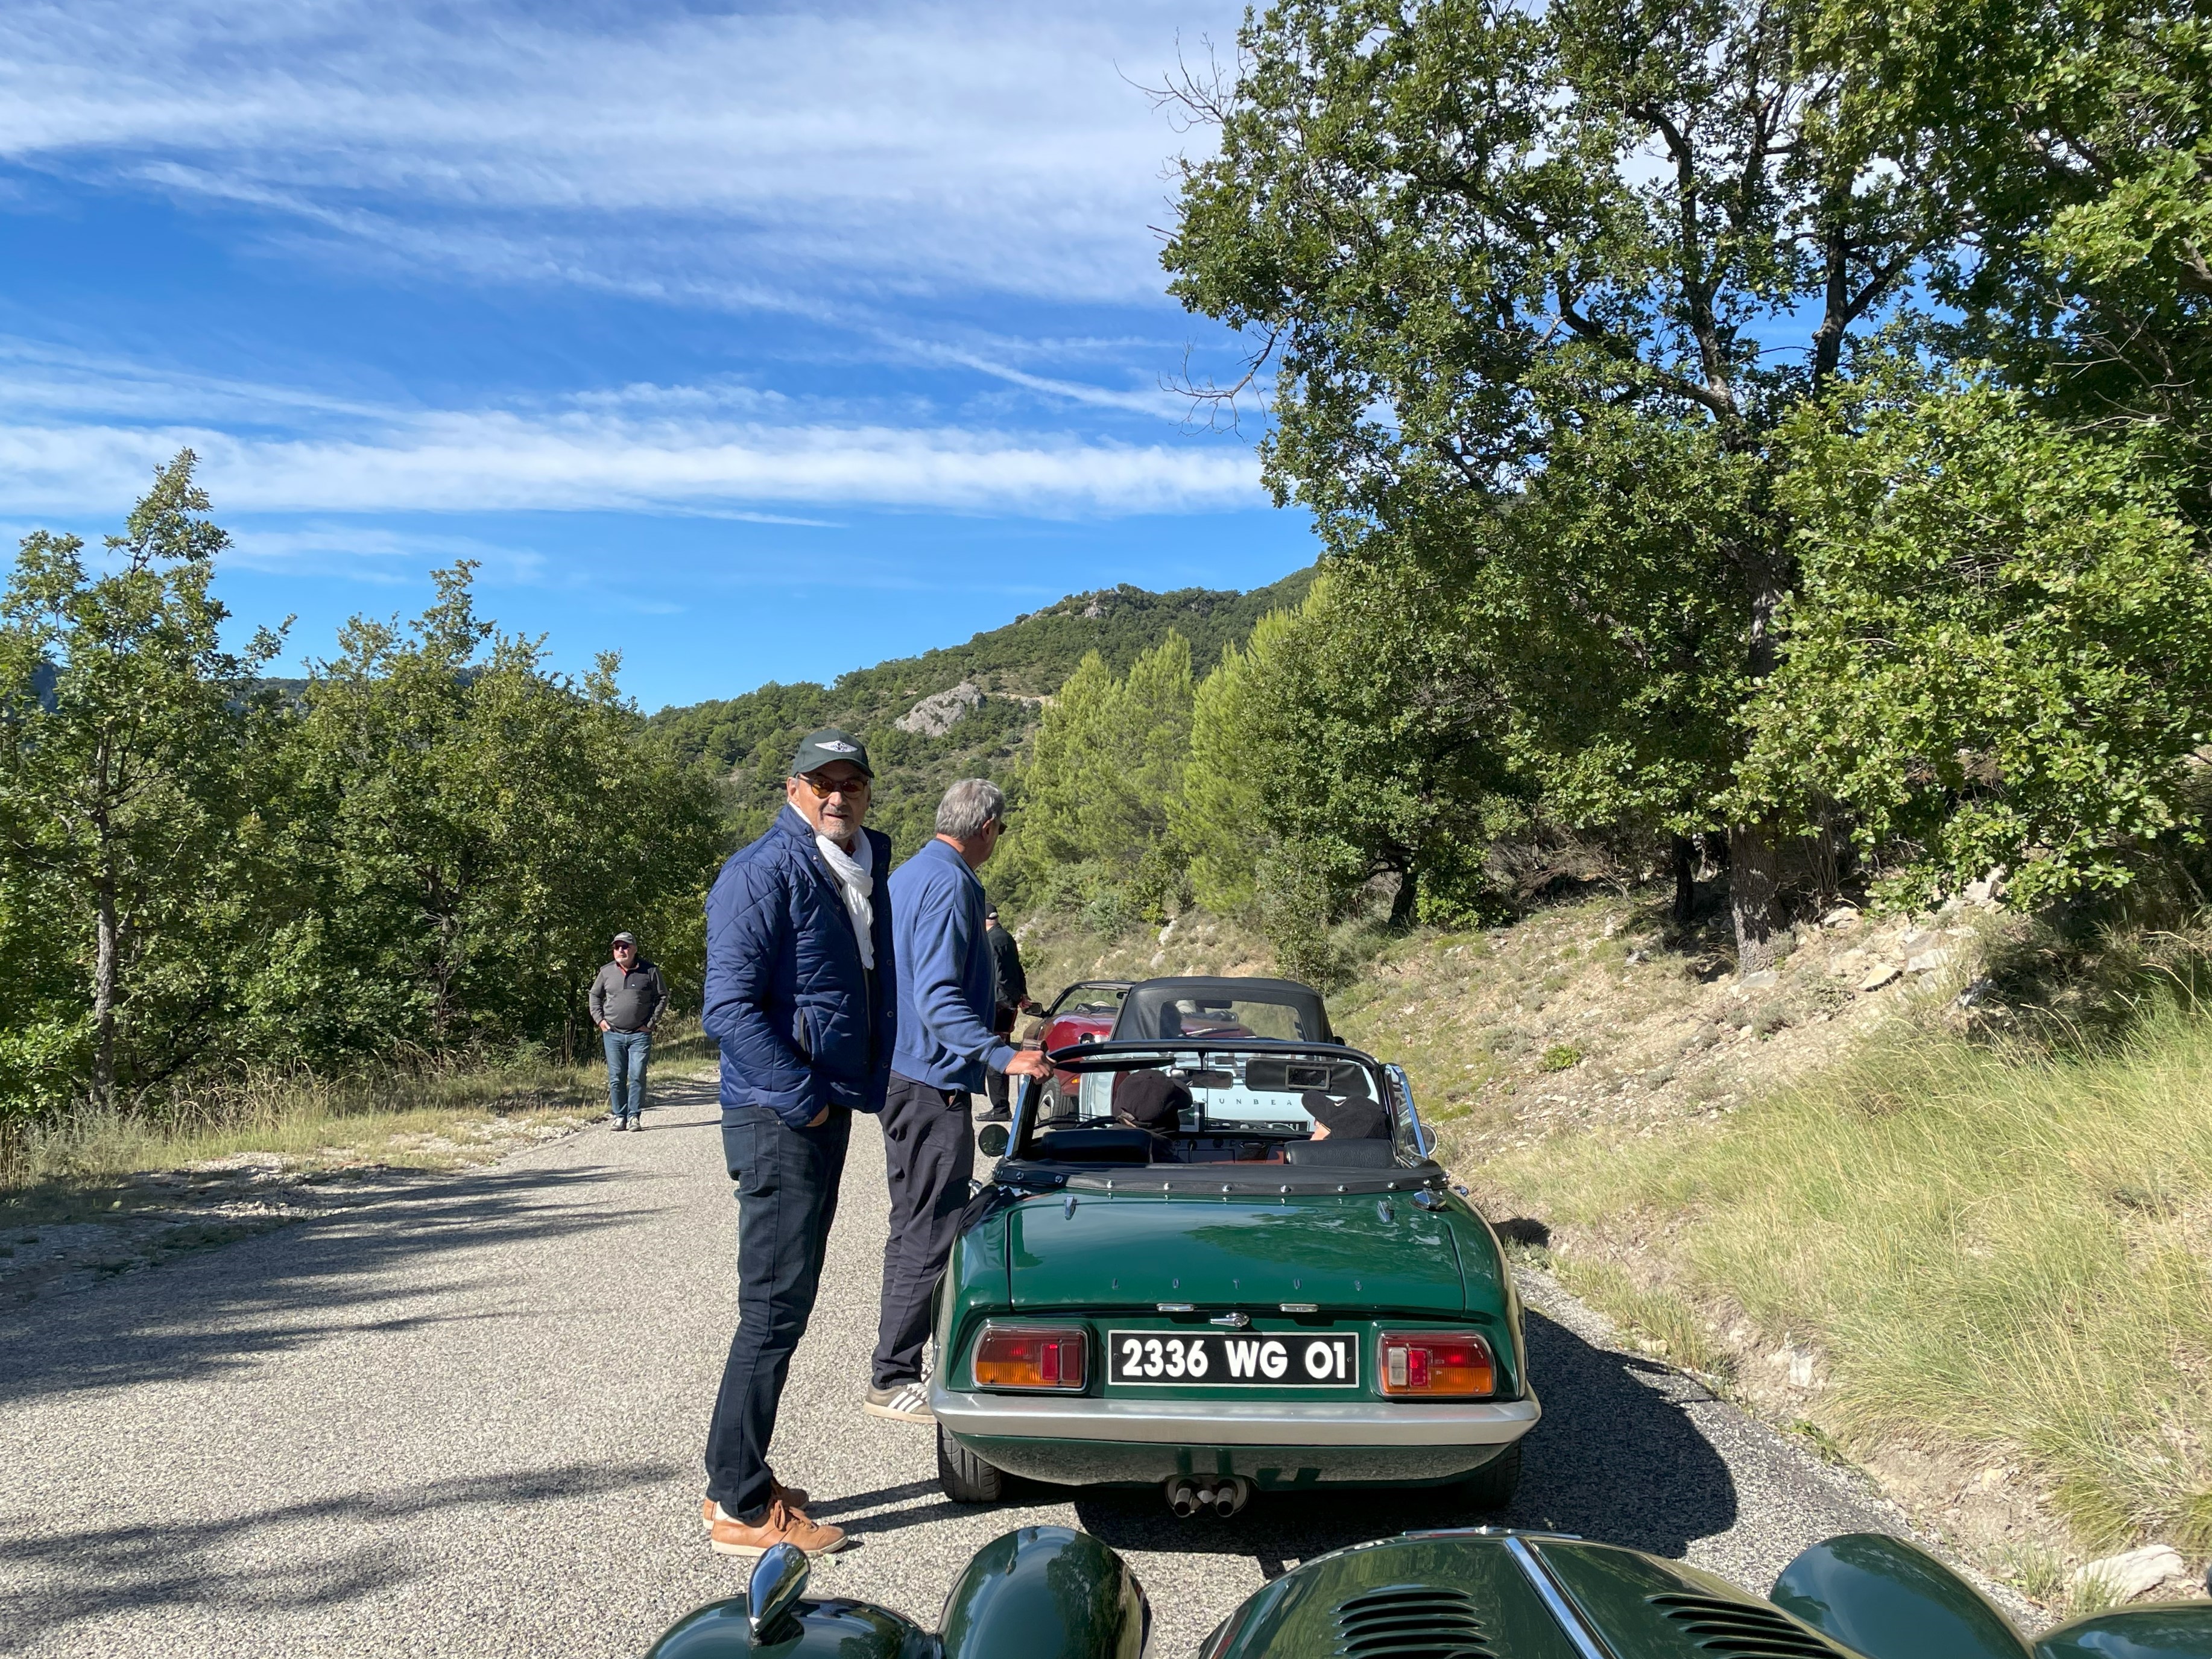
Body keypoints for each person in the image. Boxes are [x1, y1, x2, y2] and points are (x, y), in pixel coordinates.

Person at [698, 728, 895, 1559]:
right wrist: (804, 1099)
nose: (838, 796)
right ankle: (741, 1504)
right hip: (778, 1115)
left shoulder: (853, 869)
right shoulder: (763, 870)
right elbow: (727, 1008)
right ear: (793, 790)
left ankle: (736, 1476)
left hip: (818, 1108)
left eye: (852, 783)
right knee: (773, 1310)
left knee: (785, 1304)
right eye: (823, 783)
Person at [866, 779, 1049, 1423]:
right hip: (929, 1083)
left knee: (913, 1223)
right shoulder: (950, 884)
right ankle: (892, 1376)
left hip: (902, 1075)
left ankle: (895, 1364)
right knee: (933, 1225)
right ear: (988, 827)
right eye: (1001, 830)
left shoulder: (910, 875)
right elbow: (938, 995)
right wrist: (1002, 1055)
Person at [590, 931, 668, 1131]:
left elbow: (662, 997)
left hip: (640, 1034)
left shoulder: (650, 971)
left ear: (634, 949)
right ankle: (619, 1116)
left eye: (624, 947)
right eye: (617, 947)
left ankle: (634, 1116)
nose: (620, 951)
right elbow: (595, 996)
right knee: (616, 1077)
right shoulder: (606, 971)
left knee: (637, 1074)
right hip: (613, 1034)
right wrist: (600, 1020)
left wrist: (650, 1023)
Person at [977, 905, 1038, 1123]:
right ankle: (1002, 1106)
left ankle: (1001, 1108)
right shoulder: (1007, 937)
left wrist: (1015, 995)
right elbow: (1018, 970)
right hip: (1009, 1003)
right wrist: (1021, 995)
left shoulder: (990, 940)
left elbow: (999, 977)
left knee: (995, 1052)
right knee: (1002, 1048)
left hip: (997, 1003)